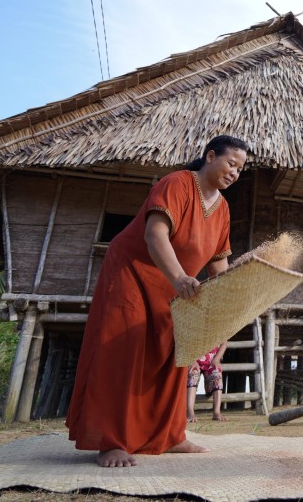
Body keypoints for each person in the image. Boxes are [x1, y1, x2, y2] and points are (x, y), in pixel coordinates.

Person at [66, 135, 248, 467]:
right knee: (125, 349)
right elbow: (155, 234)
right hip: (133, 272)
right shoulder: (177, 183)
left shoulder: (222, 209)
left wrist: (228, 304)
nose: (234, 173)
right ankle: (111, 441)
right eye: (231, 164)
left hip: (177, 287)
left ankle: (169, 436)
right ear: (210, 156)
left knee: (173, 354)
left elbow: (218, 263)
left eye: (240, 169)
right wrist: (179, 277)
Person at [187, 342, 228, 422]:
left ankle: (216, 411)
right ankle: (190, 411)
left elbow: (224, 343)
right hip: (194, 359)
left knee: (216, 373)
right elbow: (186, 342)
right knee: (193, 373)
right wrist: (192, 360)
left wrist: (216, 359)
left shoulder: (219, 330)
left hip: (212, 360)